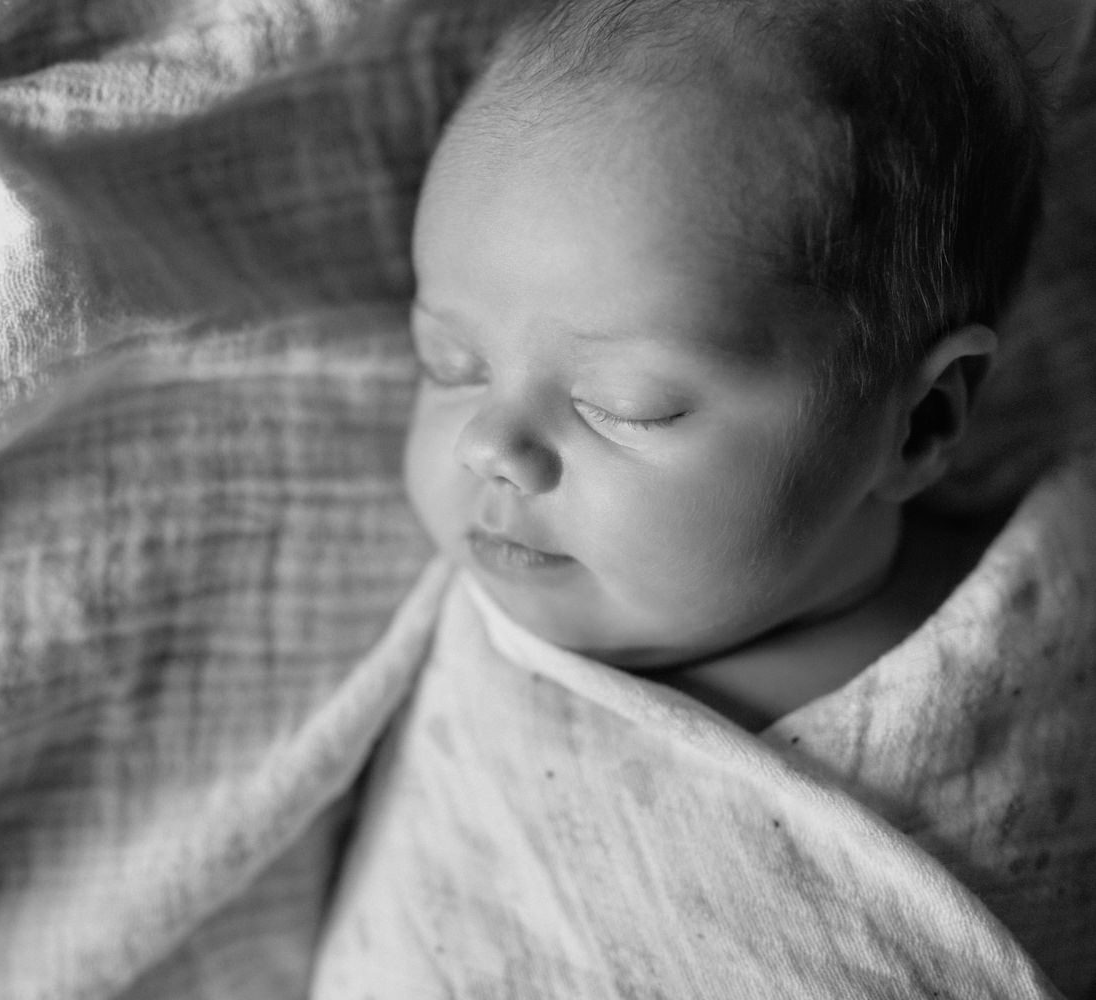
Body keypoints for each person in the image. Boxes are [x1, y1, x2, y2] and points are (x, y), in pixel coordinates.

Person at [308, 1, 1081, 996]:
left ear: (921, 420)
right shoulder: (497, 651)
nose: (490, 444)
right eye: (448, 360)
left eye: (623, 406)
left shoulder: (1053, 630)